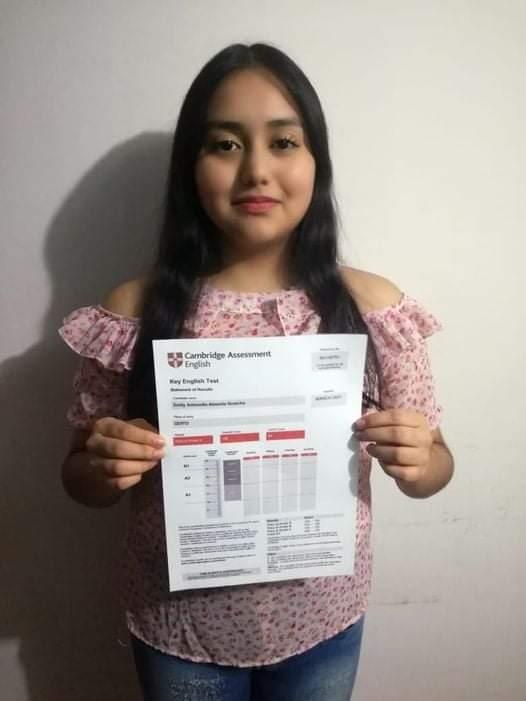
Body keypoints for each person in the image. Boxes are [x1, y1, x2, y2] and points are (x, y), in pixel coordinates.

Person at [59, 42, 454, 701]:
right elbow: (79, 479)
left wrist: (419, 461)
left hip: (324, 621)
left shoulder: (374, 308)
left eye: (284, 142)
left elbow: (437, 464)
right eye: (226, 144)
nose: (257, 171)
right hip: (179, 629)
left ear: (316, 161)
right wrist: (103, 464)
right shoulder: (133, 311)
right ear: (191, 166)